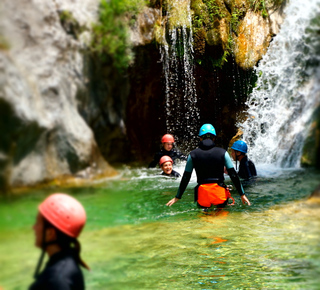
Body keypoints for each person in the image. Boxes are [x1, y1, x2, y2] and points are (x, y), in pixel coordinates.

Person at [166, 124, 251, 209]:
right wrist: (242, 194)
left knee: (204, 219)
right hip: (219, 193)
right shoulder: (223, 153)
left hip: (203, 195)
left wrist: (178, 196)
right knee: (222, 218)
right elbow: (233, 174)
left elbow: (186, 177)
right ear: (214, 138)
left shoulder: (192, 155)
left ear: (200, 138)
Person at [29, 193, 89, 290]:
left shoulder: (56, 279)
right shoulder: (67, 263)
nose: (34, 227)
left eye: (37, 223)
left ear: (50, 233)